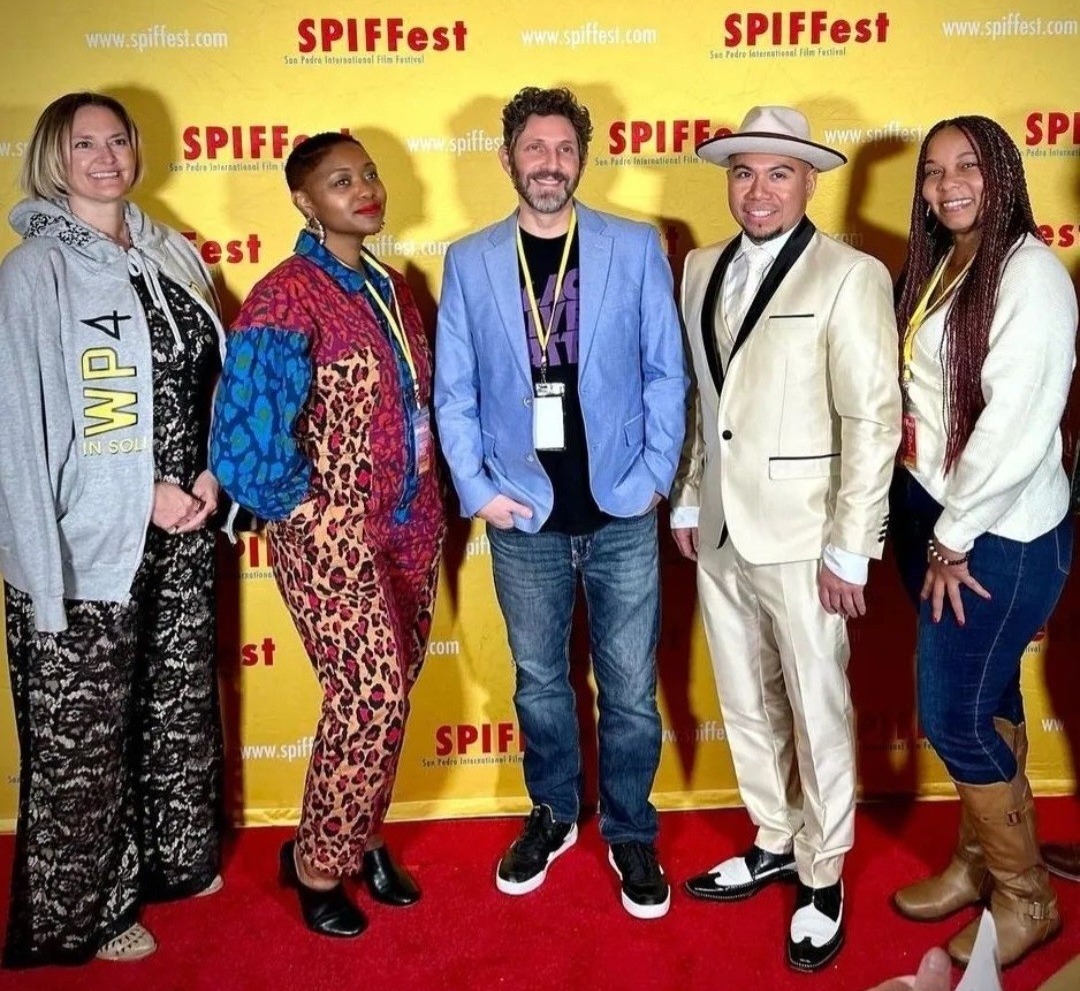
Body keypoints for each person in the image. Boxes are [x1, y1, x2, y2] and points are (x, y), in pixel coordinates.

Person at [434, 86, 687, 919]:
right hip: (524, 515)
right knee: (540, 682)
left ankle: (630, 826)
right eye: (534, 149)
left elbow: (666, 371)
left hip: (621, 510)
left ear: (582, 157)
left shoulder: (634, 246)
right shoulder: (470, 260)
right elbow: (454, 392)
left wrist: (656, 474)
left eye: (564, 149)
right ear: (507, 158)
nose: (550, 163)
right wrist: (478, 490)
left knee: (631, 688)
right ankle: (552, 810)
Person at [670, 106, 901, 971]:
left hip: (808, 534)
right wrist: (689, 497)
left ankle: (823, 868)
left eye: (777, 173)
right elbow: (706, 400)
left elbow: (873, 419)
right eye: (743, 173)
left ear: (809, 182)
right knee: (743, 696)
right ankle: (774, 834)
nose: (757, 190)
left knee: (817, 704)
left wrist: (851, 546)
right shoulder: (698, 267)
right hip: (721, 528)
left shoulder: (852, 275)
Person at [0, 92, 225, 966]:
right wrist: (139, 497)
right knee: (82, 738)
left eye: (117, 139)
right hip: (85, 541)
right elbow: (21, 429)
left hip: (186, 524)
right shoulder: (34, 272)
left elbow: (211, 380)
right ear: (54, 161)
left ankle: (173, 860)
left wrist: (212, 471)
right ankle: (83, 915)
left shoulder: (170, 252)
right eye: (82, 143)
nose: (104, 156)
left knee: (173, 704)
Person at [210, 132, 444, 938]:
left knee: (392, 691)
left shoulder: (391, 285)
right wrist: (311, 515)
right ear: (305, 201)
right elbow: (242, 444)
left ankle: (362, 834)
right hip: (333, 536)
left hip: (412, 524)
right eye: (341, 180)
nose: (365, 188)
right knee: (368, 696)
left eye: (369, 173)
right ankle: (314, 864)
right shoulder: (284, 297)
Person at [889, 115, 1076, 968]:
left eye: (967, 165)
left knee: (956, 716)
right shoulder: (949, 259)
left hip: (994, 533)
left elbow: (1018, 426)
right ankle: (980, 865)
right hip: (940, 513)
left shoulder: (1031, 273)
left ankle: (1027, 896)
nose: (948, 183)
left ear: (1003, 171)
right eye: (933, 171)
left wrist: (952, 538)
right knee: (990, 699)